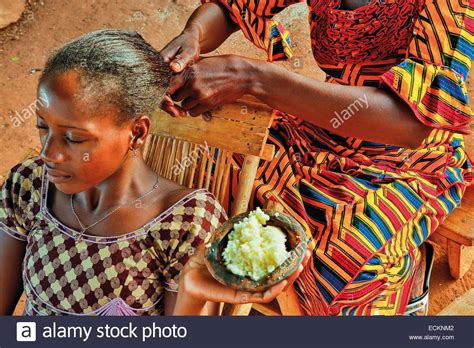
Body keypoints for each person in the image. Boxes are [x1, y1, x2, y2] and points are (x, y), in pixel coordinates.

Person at [159, 0, 473, 315]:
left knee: (342, 268)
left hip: (406, 157)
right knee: (208, 184)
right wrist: (194, 35)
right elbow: (232, 7)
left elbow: (411, 123)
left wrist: (255, 78)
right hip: (321, 121)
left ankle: (409, 279)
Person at [0, 29, 307, 316]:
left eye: (74, 138)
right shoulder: (29, 185)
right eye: (43, 127)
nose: (47, 153)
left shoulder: (185, 223)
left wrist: (190, 294)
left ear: (137, 132)